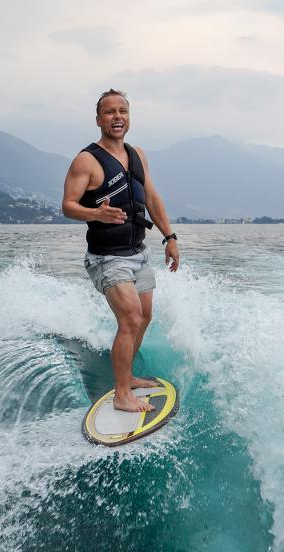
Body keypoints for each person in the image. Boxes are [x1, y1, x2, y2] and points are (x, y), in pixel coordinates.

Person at [61, 89, 180, 413]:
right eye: (110, 112)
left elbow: (151, 199)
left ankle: (128, 378)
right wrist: (96, 213)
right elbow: (68, 205)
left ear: (128, 117)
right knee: (130, 317)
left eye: (122, 111)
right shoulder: (86, 160)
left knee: (144, 317)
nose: (117, 117)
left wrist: (170, 237)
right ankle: (122, 394)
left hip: (137, 252)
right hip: (106, 256)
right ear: (98, 120)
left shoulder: (137, 155)